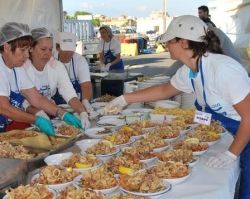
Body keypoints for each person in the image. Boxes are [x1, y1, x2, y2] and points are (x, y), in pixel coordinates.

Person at [105, 15, 250, 198]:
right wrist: (125, 99)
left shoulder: (222, 70)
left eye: (169, 41)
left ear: (183, 43)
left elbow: (249, 117)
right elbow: (165, 90)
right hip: (229, 133)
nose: (166, 45)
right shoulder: (190, 70)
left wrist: (231, 154)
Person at [0, 22, 81, 135]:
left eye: (27, 50)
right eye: (22, 50)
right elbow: (4, 108)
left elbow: (36, 98)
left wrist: (61, 113)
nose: (27, 55)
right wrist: (36, 119)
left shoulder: (17, 68)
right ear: (7, 47)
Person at [22, 28, 90, 129]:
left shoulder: (56, 66)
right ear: (31, 48)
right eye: (43, 49)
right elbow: (23, 99)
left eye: (50, 49)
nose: (47, 54)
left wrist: (82, 112)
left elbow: (69, 93)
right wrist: (38, 113)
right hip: (23, 118)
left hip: (48, 113)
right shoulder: (22, 67)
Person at [54, 32, 96, 117]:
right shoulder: (51, 61)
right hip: (56, 109)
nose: (68, 54)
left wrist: (85, 101)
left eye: (71, 50)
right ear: (57, 47)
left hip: (78, 107)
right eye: (65, 50)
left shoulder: (80, 61)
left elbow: (86, 85)